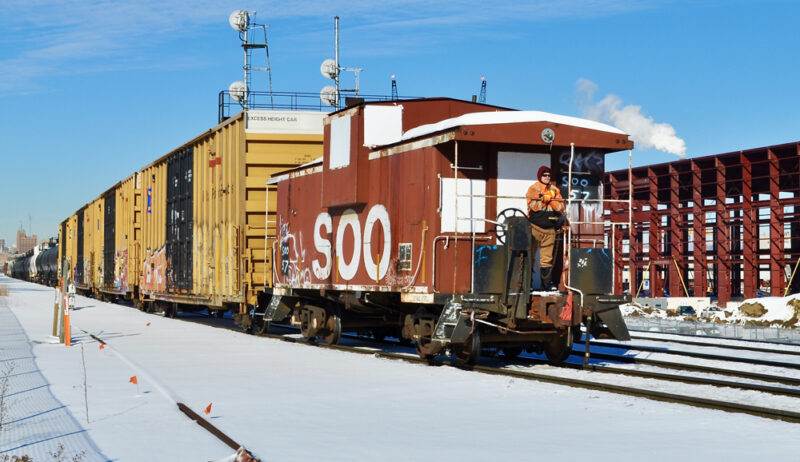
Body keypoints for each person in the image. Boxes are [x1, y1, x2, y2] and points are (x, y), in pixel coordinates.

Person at [526, 166, 565, 291]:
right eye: (545, 175)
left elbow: (560, 208)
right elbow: (533, 206)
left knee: (547, 259)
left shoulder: (555, 190)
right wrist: (545, 199)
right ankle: (528, 284)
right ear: (540, 176)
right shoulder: (533, 189)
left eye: (549, 175)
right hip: (534, 227)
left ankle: (546, 285)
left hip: (550, 230)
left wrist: (551, 199)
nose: (547, 177)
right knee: (529, 256)